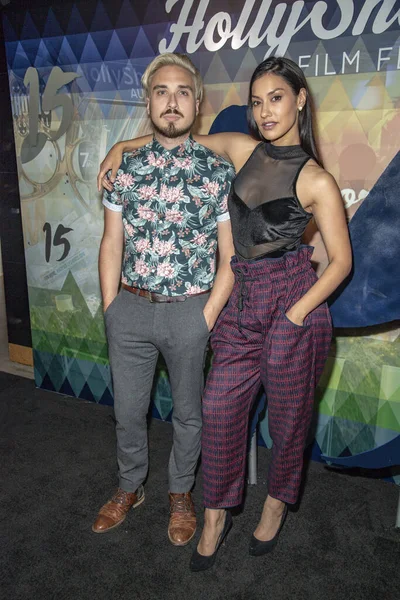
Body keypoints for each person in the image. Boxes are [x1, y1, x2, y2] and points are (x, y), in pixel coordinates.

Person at [98, 57, 352, 570]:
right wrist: (119, 146)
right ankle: (217, 512)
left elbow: (340, 260)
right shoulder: (241, 149)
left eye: (276, 98)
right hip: (242, 304)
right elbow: (175, 139)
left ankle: (277, 503)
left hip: (292, 306)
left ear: (300, 100)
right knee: (217, 411)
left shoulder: (317, 179)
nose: (265, 111)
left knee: (287, 420)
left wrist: (296, 315)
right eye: (257, 102)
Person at [93, 52, 235, 549]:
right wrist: (112, 307)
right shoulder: (123, 167)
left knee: (188, 415)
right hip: (129, 308)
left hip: (189, 312)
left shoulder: (218, 172)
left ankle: (180, 494)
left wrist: (207, 314)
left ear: (197, 103)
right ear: (148, 101)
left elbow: (230, 256)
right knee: (128, 412)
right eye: (161, 92)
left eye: (181, 93)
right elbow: (111, 242)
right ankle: (130, 487)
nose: (171, 102)